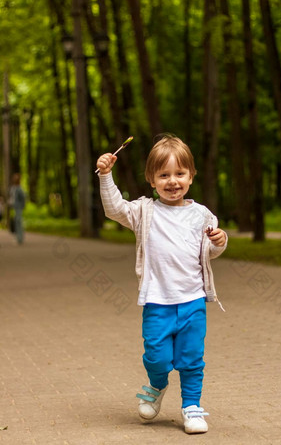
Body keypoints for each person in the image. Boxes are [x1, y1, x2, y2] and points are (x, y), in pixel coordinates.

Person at [96, 134, 228, 434]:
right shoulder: (144, 211)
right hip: (157, 302)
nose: (172, 181)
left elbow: (210, 250)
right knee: (156, 356)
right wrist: (106, 175)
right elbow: (114, 208)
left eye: (180, 174)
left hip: (192, 301)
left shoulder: (202, 214)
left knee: (191, 357)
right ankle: (157, 385)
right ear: (151, 180)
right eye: (164, 175)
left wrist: (220, 241)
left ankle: (192, 407)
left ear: (191, 177)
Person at [8, 173, 26, 244]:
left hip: (18, 207)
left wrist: (22, 206)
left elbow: (23, 198)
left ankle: (20, 238)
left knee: (19, 222)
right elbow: (11, 197)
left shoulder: (20, 189)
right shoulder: (13, 188)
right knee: (15, 222)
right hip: (13, 207)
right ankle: (17, 237)